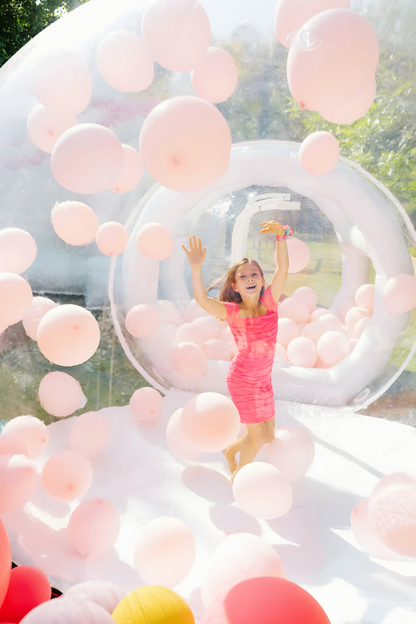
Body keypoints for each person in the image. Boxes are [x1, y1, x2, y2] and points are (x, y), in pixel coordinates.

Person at [182, 221, 290, 481]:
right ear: (234, 285)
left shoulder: (270, 303)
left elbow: (283, 267)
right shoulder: (233, 312)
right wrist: (196, 267)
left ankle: (231, 451)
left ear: (263, 280)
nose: (250, 278)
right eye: (243, 276)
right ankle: (240, 481)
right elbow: (202, 300)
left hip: (263, 378)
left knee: (270, 436)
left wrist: (281, 236)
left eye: (254, 274)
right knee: (258, 436)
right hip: (242, 379)